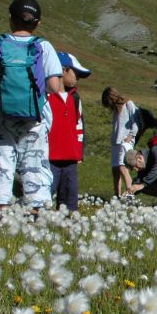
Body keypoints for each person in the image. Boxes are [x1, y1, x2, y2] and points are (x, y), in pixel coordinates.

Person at [0, 0, 63, 211]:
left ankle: (1, 213)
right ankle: (36, 213)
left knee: (2, 163)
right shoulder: (43, 46)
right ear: (37, 23)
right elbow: (54, 86)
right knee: (35, 163)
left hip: (1, 115)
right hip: (35, 117)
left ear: (10, 18)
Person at [47, 53, 90, 212]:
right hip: (49, 157)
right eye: (75, 73)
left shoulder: (75, 98)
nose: (77, 78)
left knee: (69, 196)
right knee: (46, 193)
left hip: (70, 158)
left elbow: (79, 126)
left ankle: (67, 223)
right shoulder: (46, 96)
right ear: (63, 70)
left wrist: (79, 152)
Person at [102, 86, 140, 198]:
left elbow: (135, 123)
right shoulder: (115, 109)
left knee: (122, 167)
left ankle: (130, 193)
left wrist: (131, 135)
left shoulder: (128, 104)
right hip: (116, 142)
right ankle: (117, 195)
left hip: (125, 142)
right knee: (115, 169)